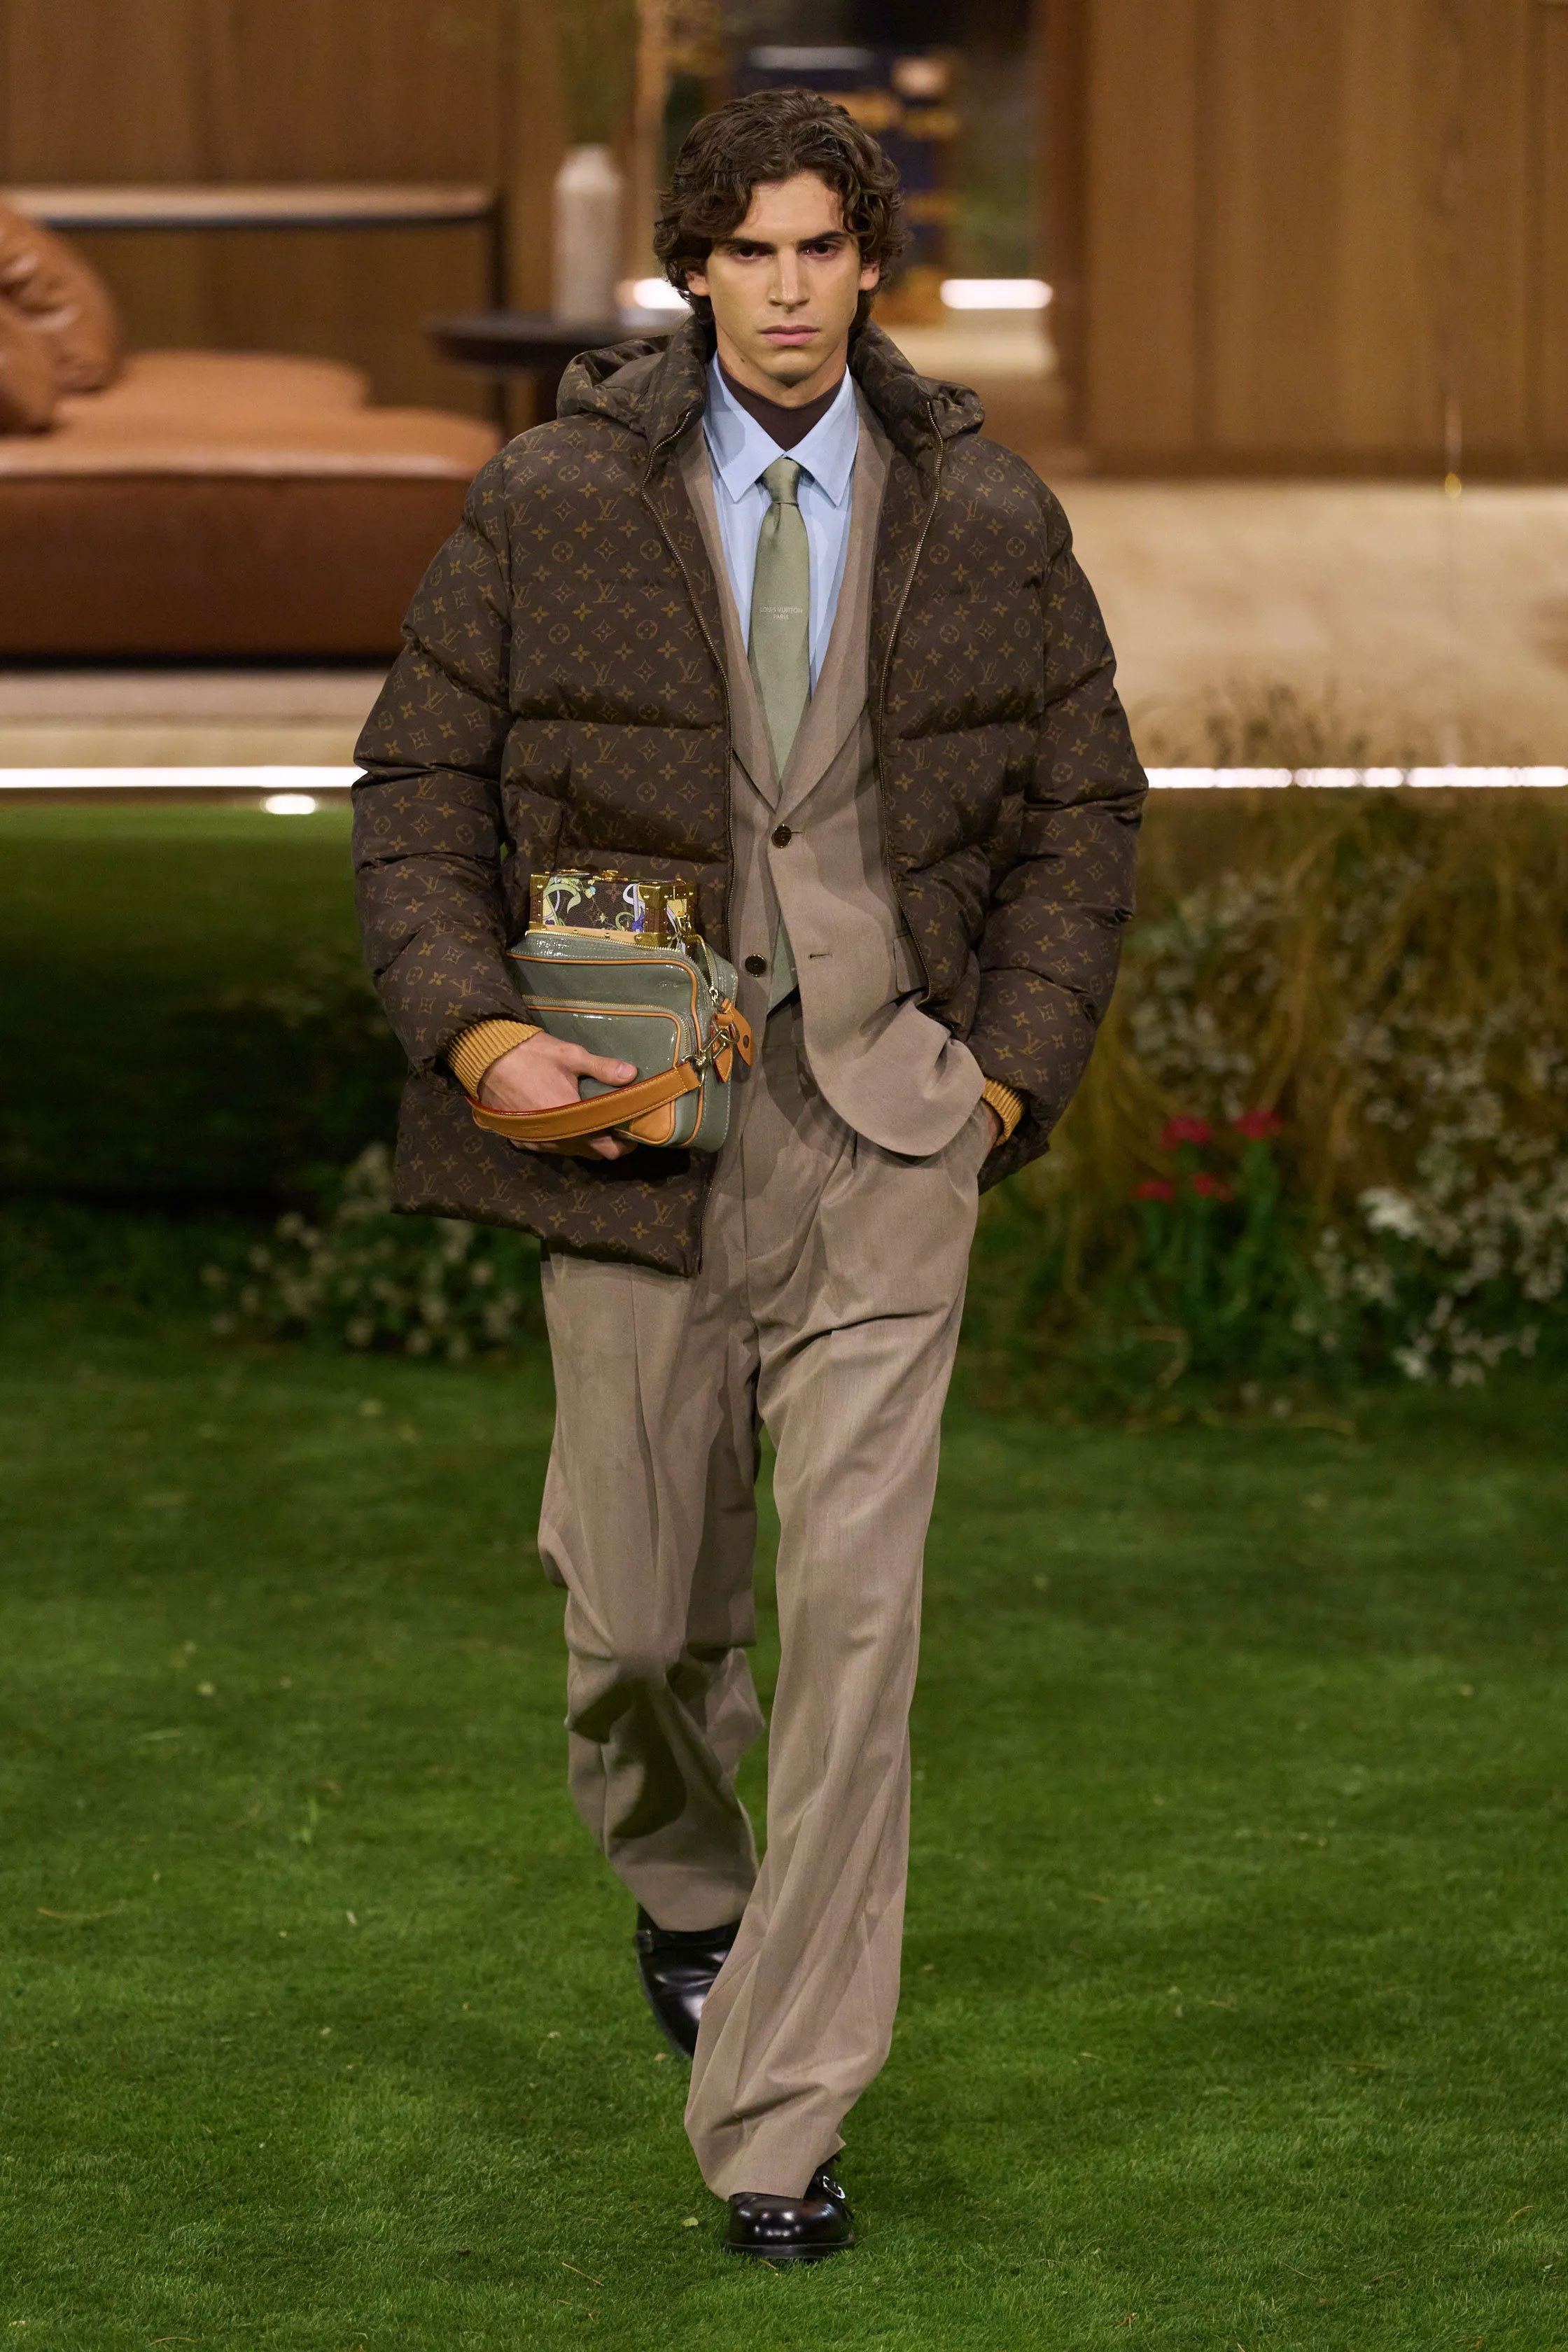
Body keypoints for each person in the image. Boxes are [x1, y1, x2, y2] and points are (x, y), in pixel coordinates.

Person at [352, 85, 1146, 2261]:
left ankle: (781, 2121)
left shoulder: (986, 514)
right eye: (753, 251)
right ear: (695, 268)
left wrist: (1006, 1081)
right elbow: (418, 783)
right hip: (637, 1128)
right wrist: (482, 1033)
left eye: (824, 250)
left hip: (892, 1130)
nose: (790, 292)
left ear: (868, 263)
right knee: (634, 1629)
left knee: (858, 1635)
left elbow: (1087, 806)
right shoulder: (551, 499)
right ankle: (689, 1890)